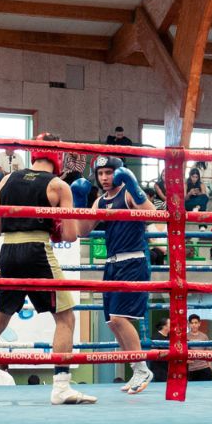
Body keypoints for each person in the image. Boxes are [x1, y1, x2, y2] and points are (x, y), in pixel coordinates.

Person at [0, 140, 95, 405]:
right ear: (58, 159)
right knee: (66, 318)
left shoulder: (7, 180)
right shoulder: (58, 186)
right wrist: (57, 224)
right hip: (37, 250)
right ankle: (61, 387)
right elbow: (70, 235)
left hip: (8, 252)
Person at [87, 159, 156, 394]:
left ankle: (142, 368)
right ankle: (136, 370)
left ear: (118, 173)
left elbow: (153, 214)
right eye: (100, 173)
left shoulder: (128, 194)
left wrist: (134, 186)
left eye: (109, 172)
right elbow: (82, 231)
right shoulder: (99, 201)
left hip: (132, 261)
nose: (104, 177)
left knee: (118, 318)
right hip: (111, 264)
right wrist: (78, 200)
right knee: (112, 322)